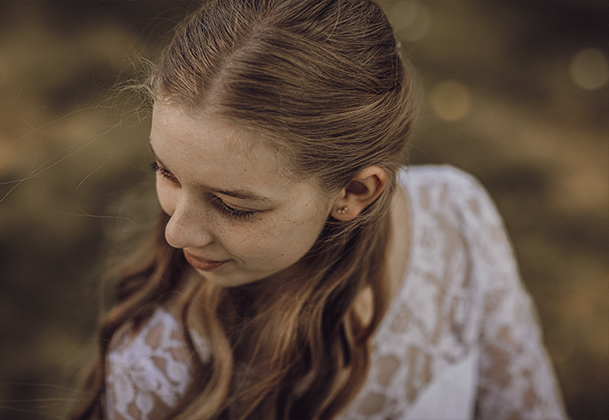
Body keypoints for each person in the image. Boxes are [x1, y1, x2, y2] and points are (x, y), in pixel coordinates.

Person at [71, 0, 567, 419]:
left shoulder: (457, 215)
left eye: (232, 205)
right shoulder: (160, 368)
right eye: (166, 172)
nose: (177, 234)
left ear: (354, 193)